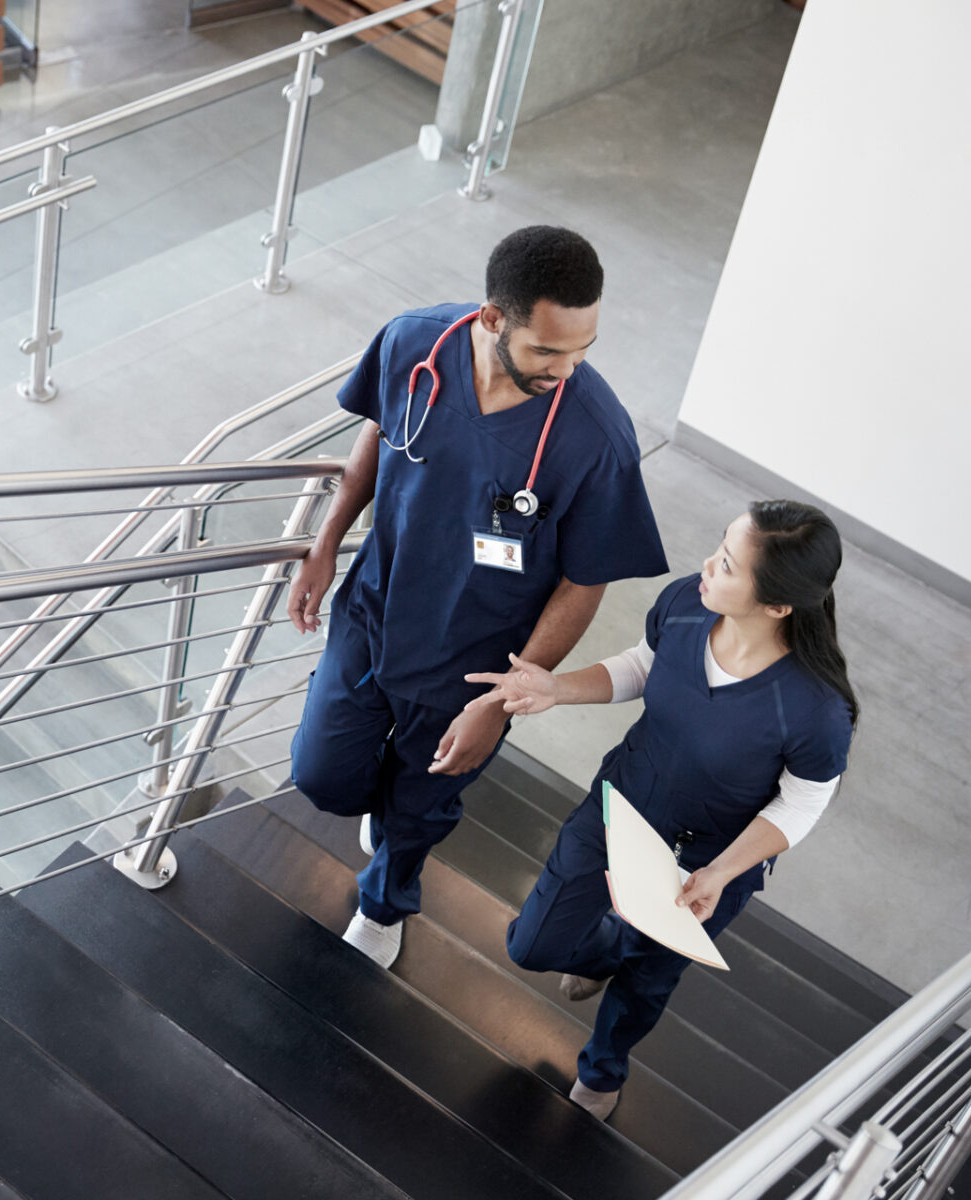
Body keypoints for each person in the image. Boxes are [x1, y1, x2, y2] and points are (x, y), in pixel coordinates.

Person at [286, 225, 669, 970]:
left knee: (420, 809)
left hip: (475, 664)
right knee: (322, 776)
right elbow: (379, 433)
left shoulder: (595, 439)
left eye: (584, 349)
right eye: (547, 351)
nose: (568, 369)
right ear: (494, 319)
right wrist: (327, 540)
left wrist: (503, 698)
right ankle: (384, 808)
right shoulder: (412, 345)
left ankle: (385, 898)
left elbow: (585, 580)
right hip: (375, 615)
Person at [465, 500, 858, 1120]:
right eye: (718, 547)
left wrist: (723, 873)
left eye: (727, 564)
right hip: (622, 807)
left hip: (706, 864)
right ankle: (605, 951)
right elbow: (644, 667)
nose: (707, 565)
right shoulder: (685, 603)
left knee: (649, 980)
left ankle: (603, 1068)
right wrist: (558, 688)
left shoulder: (816, 710)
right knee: (531, 944)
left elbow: (803, 801)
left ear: (779, 605)